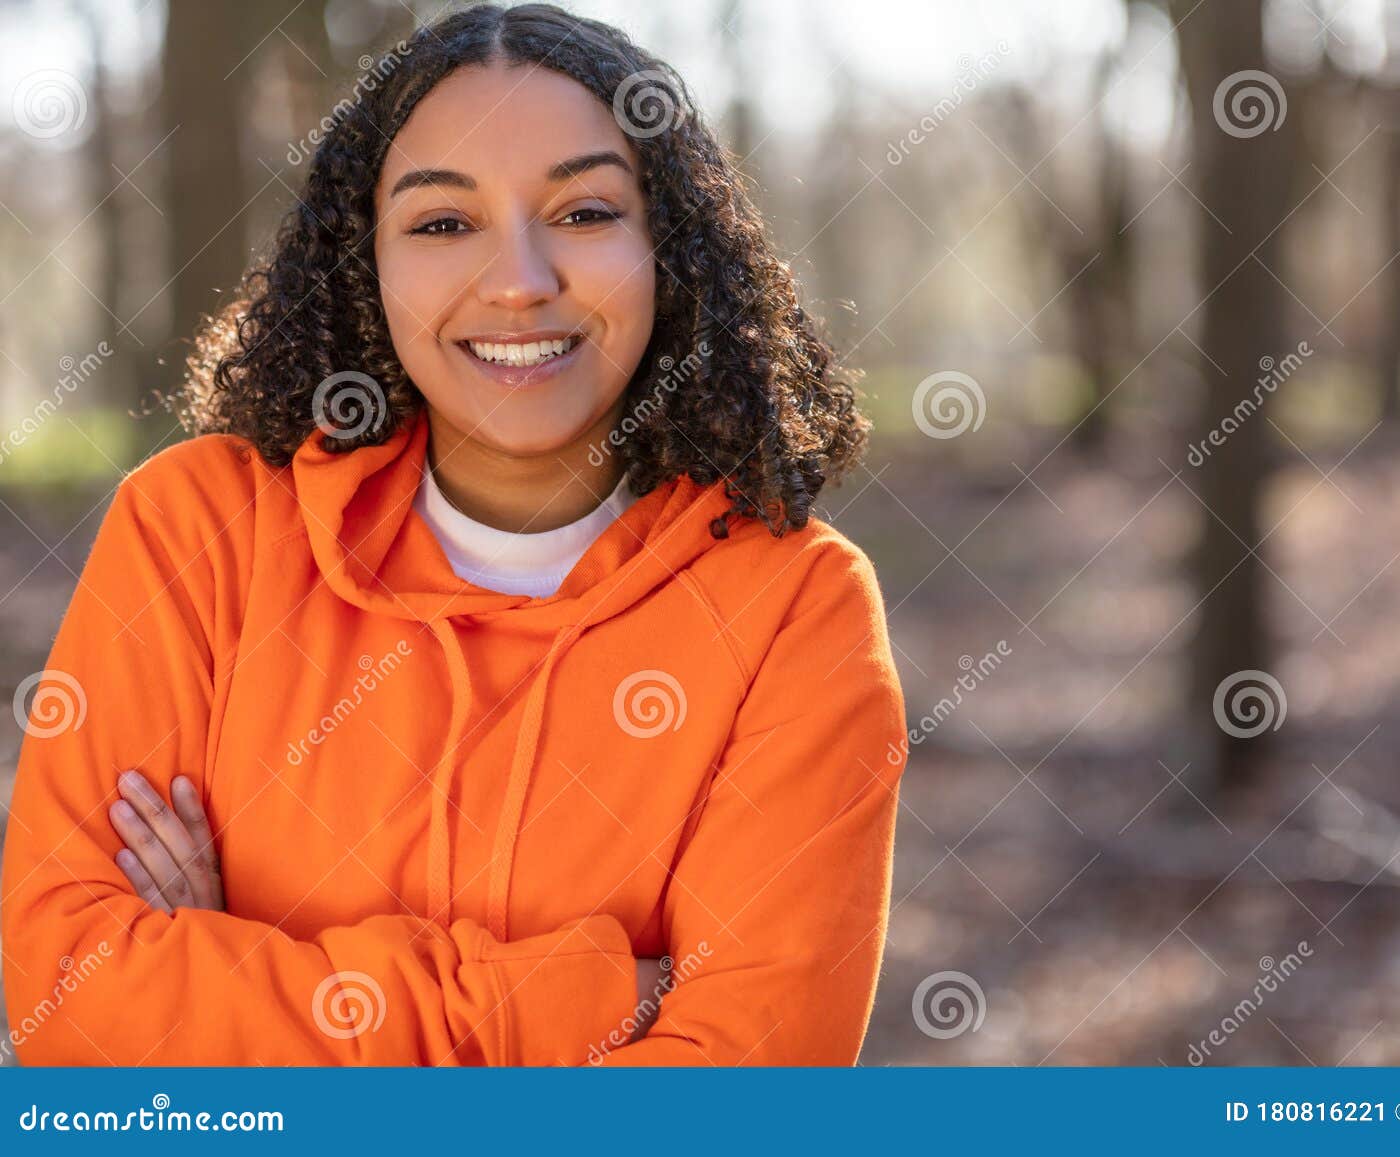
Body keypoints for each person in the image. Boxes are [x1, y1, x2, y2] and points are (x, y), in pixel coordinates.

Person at [0, 2, 908, 1066]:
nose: (519, 279)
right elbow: (65, 996)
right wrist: (579, 997)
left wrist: (223, 980)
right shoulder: (199, 527)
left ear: (669, 247)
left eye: (583, 212)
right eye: (442, 223)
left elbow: (739, 1088)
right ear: (365, 263)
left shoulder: (796, 608)